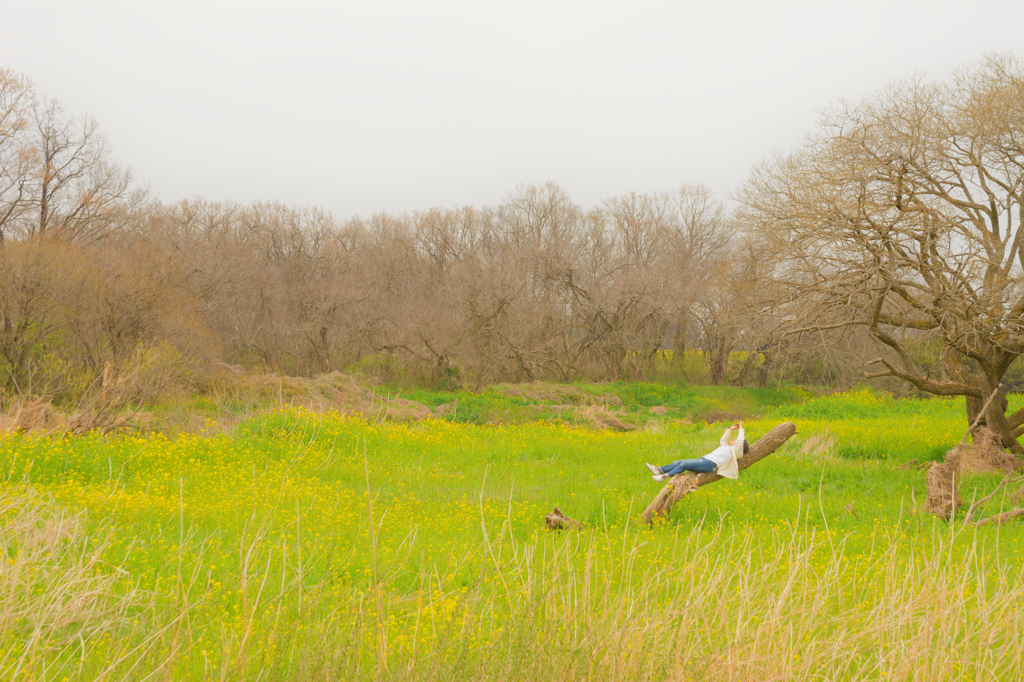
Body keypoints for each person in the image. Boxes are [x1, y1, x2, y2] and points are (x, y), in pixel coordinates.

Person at [646, 422, 748, 481]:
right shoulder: (726, 447)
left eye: (736, 440)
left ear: (740, 445)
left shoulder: (735, 453)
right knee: (679, 462)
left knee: (684, 464)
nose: (734, 439)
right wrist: (730, 429)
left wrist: (741, 429)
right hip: (705, 460)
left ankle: (665, 476)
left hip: (710, 464)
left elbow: (739, 441)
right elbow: (722, 440)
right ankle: (659, 469)